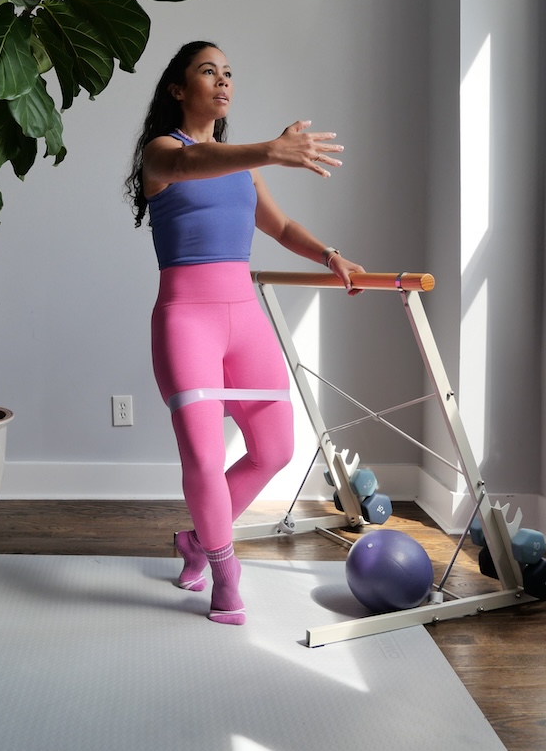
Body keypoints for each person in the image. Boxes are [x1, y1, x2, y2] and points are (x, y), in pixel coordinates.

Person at [125, 40, 366, 625]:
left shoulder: (242, 165)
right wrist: (271, 150)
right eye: (209, 71)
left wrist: (330, 255)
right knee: (205, 460)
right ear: (179, 90)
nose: (223, 80)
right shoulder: (163, 152)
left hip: (244, 319)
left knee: (277, 448)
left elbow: (279, 226)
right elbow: (188, 167)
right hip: (187, 319)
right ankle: (224, 569)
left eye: (229, 72)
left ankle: (196, 540)